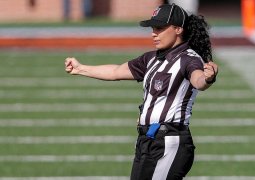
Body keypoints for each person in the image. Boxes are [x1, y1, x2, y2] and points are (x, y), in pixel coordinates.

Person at [65, 3, 218, 180]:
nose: (154, 33)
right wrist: (81, 68)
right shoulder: (151, 58)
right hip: (147, 141)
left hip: (170, 141)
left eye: (160, 28)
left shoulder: (189, 59)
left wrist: (208, 78)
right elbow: (116, 72)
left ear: (178, 29)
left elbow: (198, 80)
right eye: (153, 28)